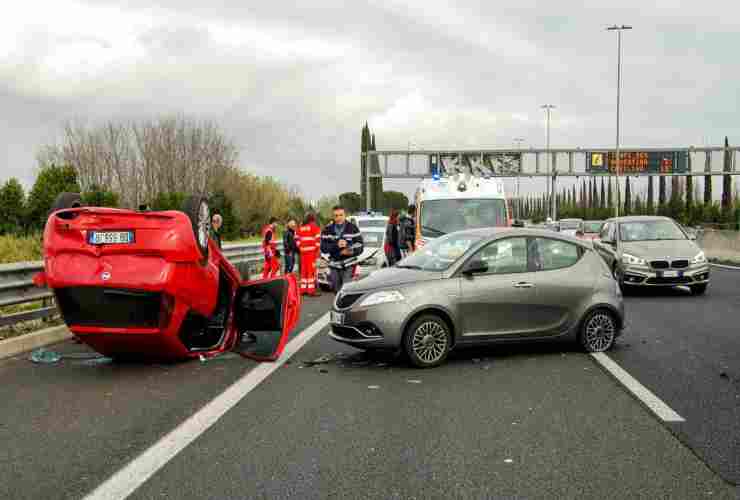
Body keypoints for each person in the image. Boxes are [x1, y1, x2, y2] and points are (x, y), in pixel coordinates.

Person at [320, 205, 363, 293]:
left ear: (345, 215)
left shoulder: (353, 228)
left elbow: (360, 246)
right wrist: (336, 245)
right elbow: (323, 248)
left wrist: (350, 250)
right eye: (336, 215)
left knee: (346, 289)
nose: (339, 218)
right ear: (333, 216)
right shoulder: (327, 230)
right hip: (334, 265)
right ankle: (338, 305)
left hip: (349, 264)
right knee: (336, 290)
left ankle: (346, 305)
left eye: (341, 215)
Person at [296, 213, 322, 296]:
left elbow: (296, 238)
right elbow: (318, 239)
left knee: (304, 271)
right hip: (311, 253)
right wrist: (316, 249)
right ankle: (311, 290)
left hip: (303, 253)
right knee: (311, 271)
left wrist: (300, 247)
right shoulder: (314, 227)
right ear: (313, 219)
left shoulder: (301, 227)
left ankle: (303, 289)